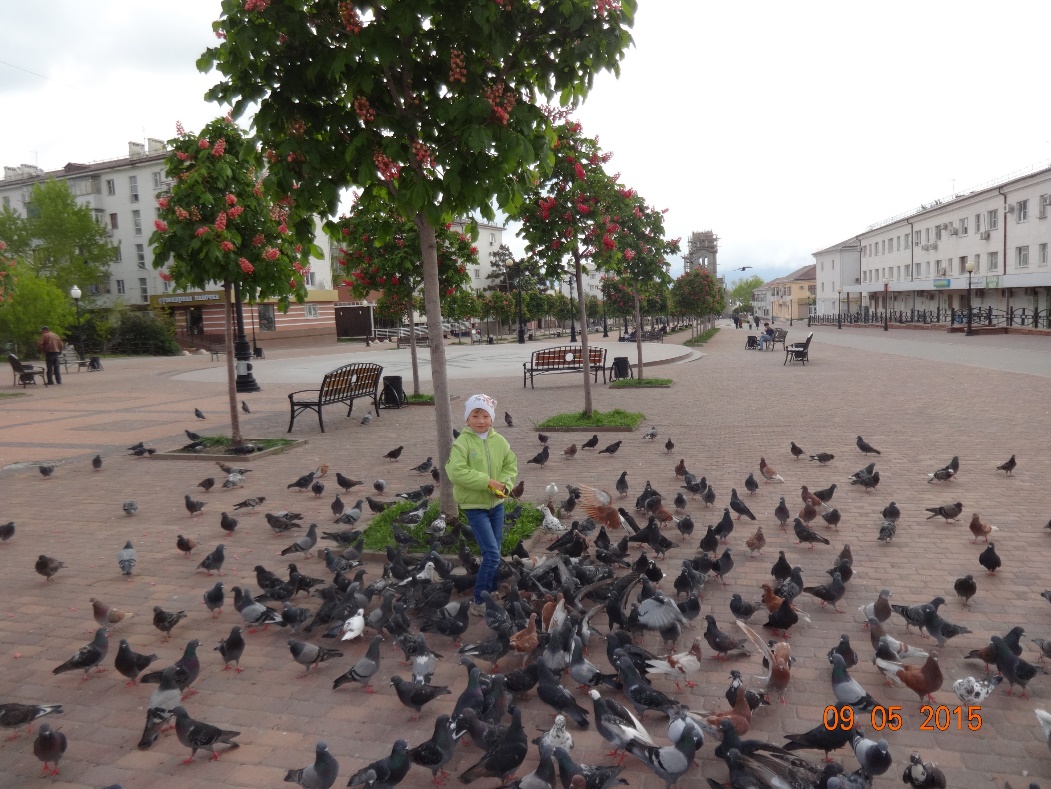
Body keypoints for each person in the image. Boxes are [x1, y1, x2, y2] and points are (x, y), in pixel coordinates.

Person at [445, 394, 519, 616]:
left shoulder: (500, 441)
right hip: (474, 506)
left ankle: (492, 590)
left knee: (493, 551)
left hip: (496, 504)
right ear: (467, 420)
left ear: (492, 418)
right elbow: (456, 472)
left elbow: (510, 465)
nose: (480, 420)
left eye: (485, 416)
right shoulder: (462, 443)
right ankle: (478, 600)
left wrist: (505, 484)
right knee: (492, 553)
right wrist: (486, 481)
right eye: (475, 415)